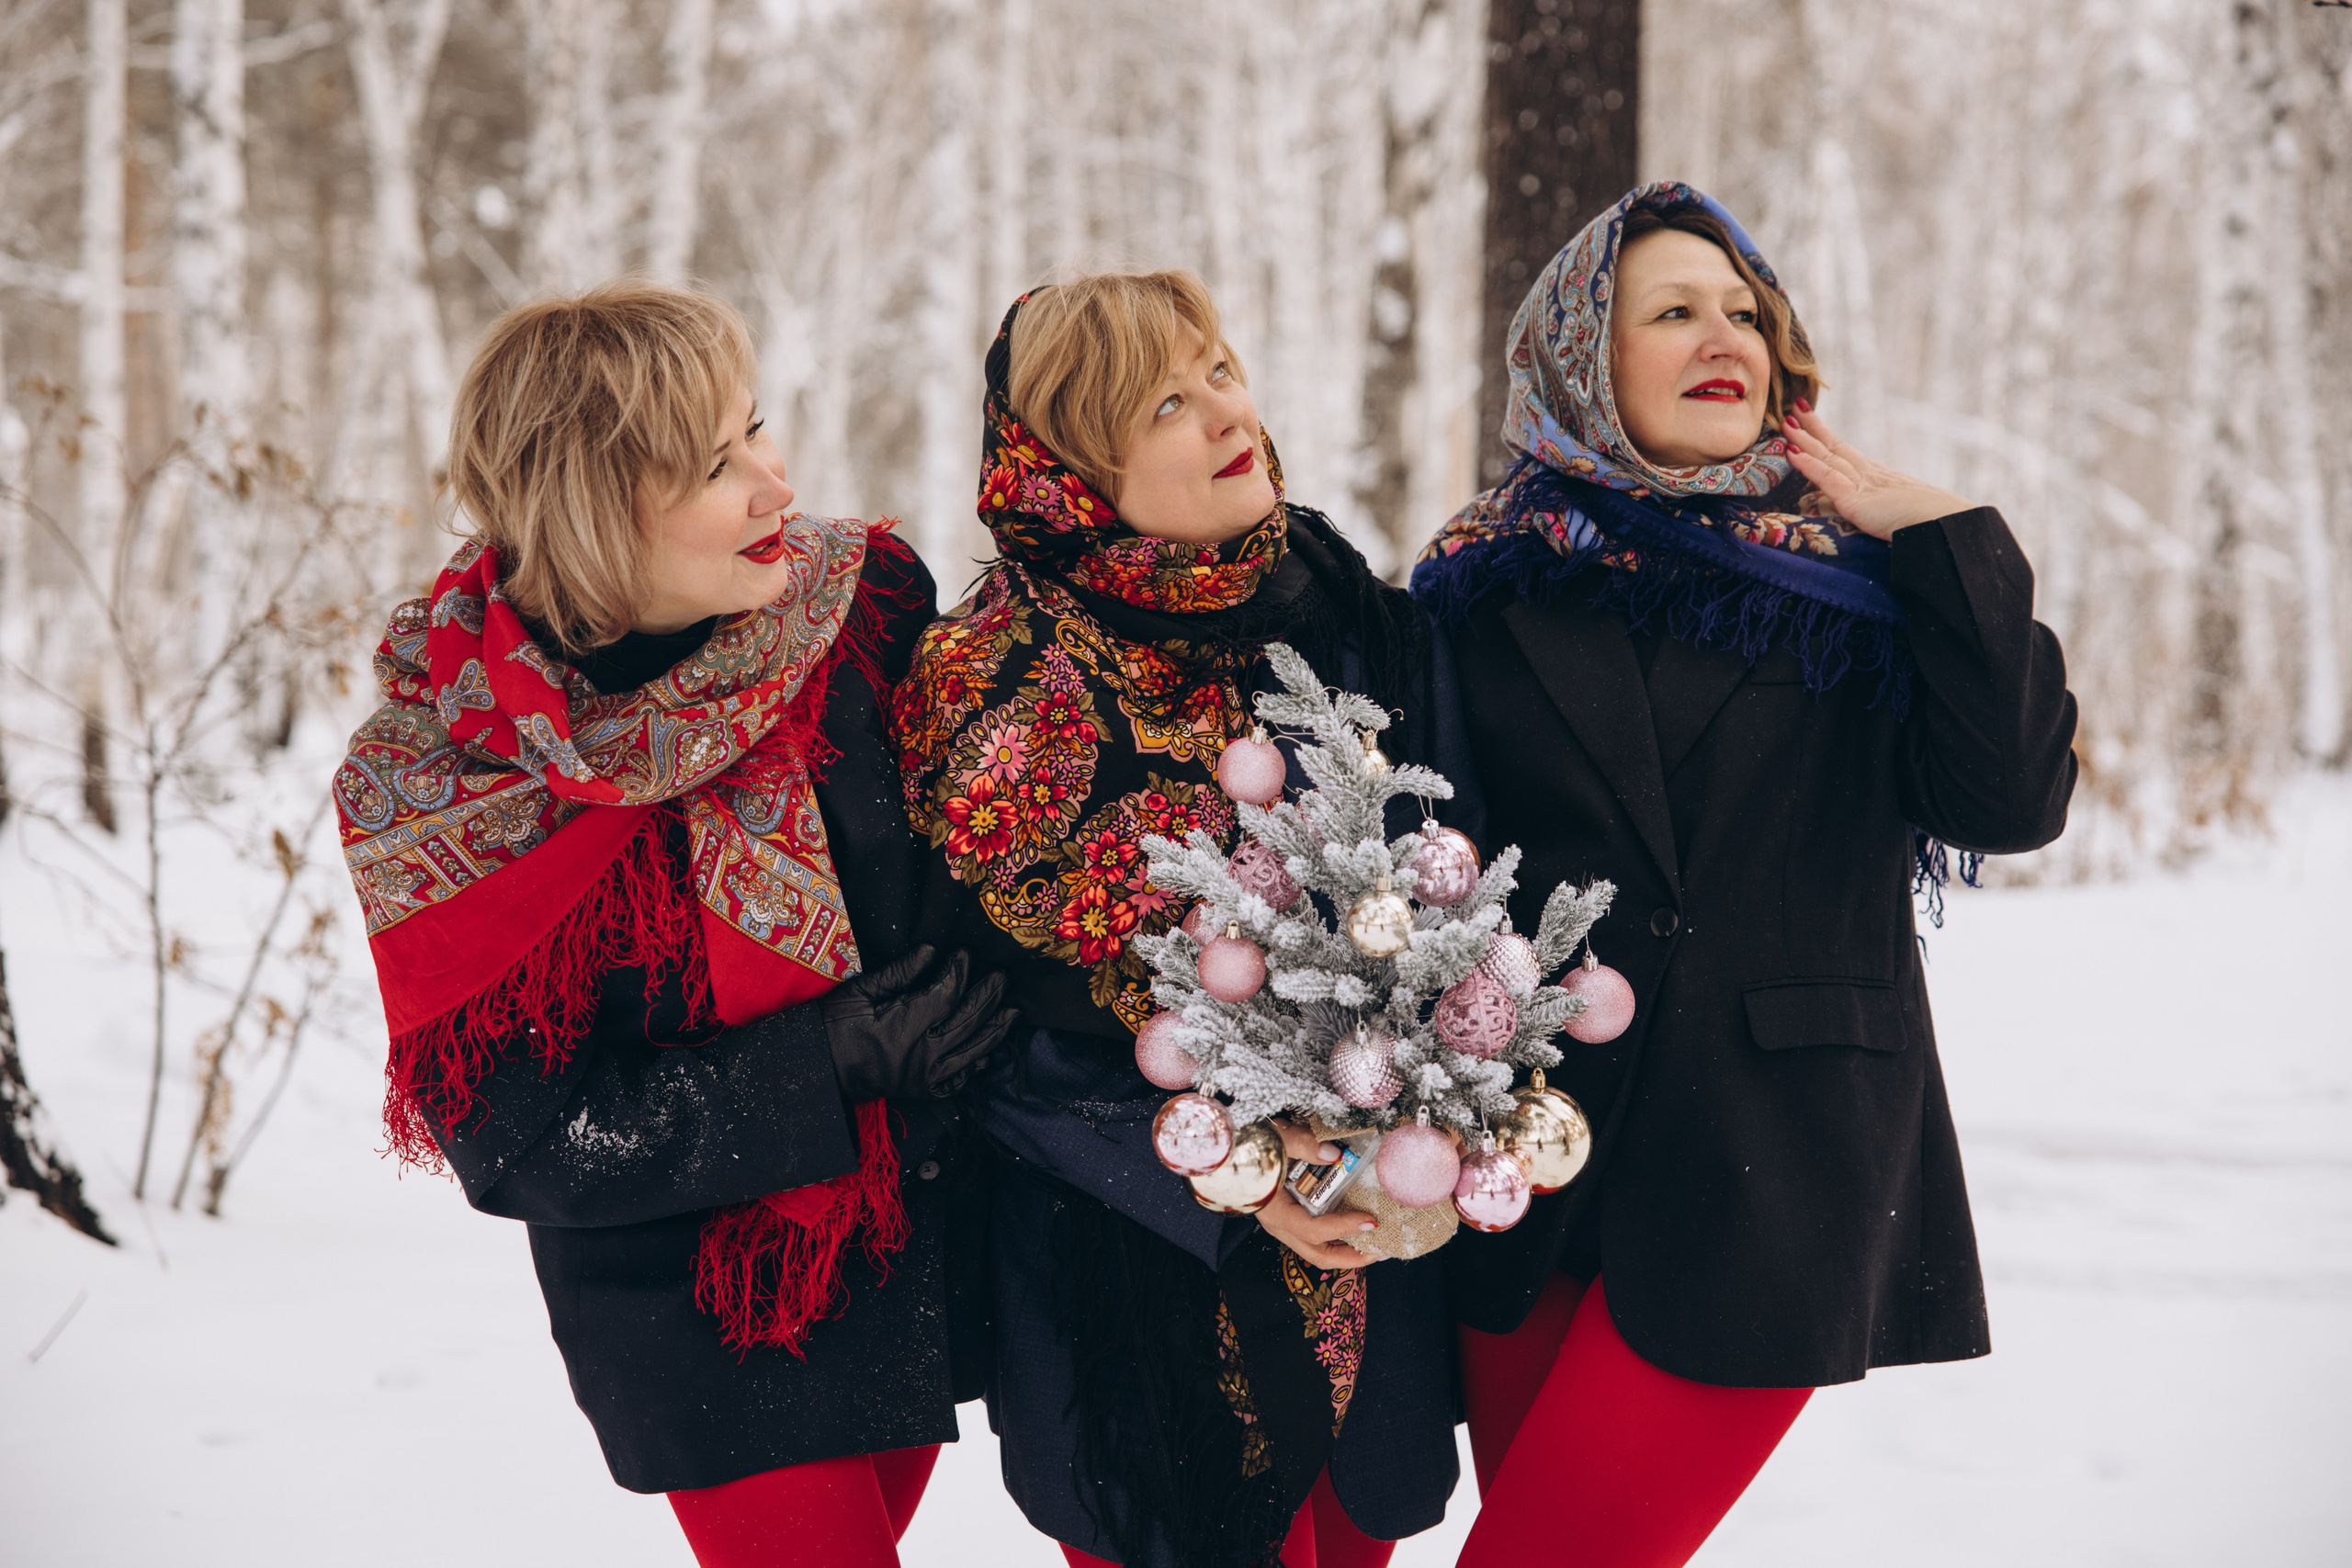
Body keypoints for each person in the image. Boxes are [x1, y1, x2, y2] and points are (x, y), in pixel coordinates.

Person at [1409, 184, 2079, 1566]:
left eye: (1745, 312)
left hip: (1778, 1177)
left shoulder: (1872, 592)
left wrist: (1949, 537)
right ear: (1584, 358)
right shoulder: (1480, 585)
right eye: (1672, 312)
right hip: (1530, 1177)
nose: (1727, 337)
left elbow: (2011, 804)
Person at [332, 279, 1020, 1568]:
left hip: (909, 1245)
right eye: (715, 465)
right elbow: (526, 1138)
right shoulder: (439, 783)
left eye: (756, 430)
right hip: (695, 1310)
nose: (774, 484)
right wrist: (828, 1062)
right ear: (592, 510)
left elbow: (990, 844)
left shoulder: (856, 613)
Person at [889, 272, 1476, 1568]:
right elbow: (982, 1040)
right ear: (1074, 471)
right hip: (1132, 1287)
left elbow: (1457, 893)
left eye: (1221, 369)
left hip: (1374, 1264)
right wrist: (1238, 1183)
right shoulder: (993, 685)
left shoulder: (1350, 616)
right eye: (1166, 398)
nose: (1226, 410)